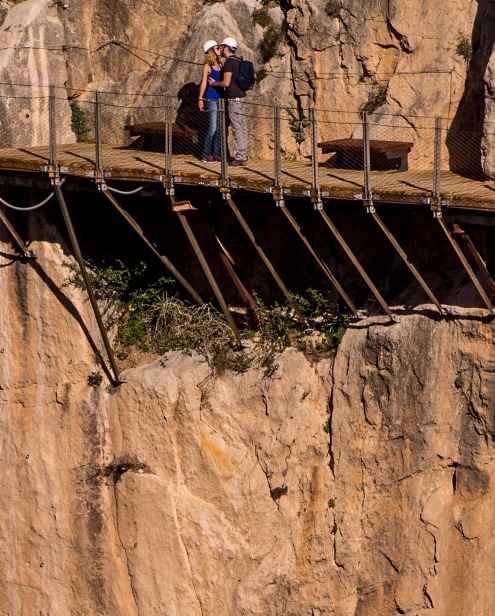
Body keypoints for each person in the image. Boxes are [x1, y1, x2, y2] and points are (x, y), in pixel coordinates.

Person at [208, 36, 248, 166]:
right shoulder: (238, 60)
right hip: (241, 97)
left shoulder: (229, 63)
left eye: (222, 47)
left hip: (234, 98)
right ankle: (243, 154)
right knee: (241, 126)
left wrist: (214, 84)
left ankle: (240, 156)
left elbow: (226, 82)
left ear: (226, 48)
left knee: (237, 127)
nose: (220, 49)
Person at [198, 40, 223, 163]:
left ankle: (216, 153)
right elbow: (203, 82)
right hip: (211, 98)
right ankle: (205, 154)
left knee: (218, 128)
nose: (220, 49)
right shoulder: (207, 66)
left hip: (220, 99)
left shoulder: (221, 64)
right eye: (217, 47)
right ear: (213, 50)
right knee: (212, 127)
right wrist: (200, 98)